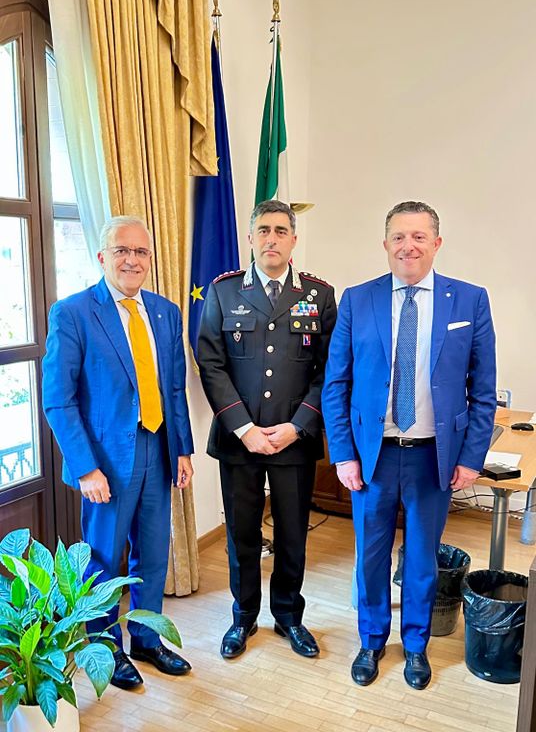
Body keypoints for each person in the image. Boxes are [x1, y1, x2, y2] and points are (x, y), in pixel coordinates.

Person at [322, 201, 496, 690]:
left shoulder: (469, 301)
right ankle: (371, 640)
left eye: (419, 236)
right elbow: (336, 384)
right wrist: (343, 454)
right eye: (399, 237)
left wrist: (471, 458)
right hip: (372, 457)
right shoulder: (358, 300)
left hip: (433, 456)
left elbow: (483, 391)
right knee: (370, 557)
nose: (408, 246)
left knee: (422, 559)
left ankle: (416, 645)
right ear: (385, 244)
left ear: (436, 243)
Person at [42, 216, 194, 690]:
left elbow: (173, 389)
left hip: (158, 449)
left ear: (150, 259)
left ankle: (147, 639)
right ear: (102, 257)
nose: (132, 260)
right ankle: (106, 649)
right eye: (121, 250)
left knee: (153, 555)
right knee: (104, 559)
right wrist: (85, 467)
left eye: (141, 252)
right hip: (105, 463)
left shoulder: (165, 312)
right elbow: (58, 399)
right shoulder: (73, 313)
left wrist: (183, 450)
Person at [197, 199, 337, 660]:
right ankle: (243, 617)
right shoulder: (224, 291)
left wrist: (299, 425)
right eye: (263, 230)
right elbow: (211, 362)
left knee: (293, 534)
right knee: (242, 535)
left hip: (294, 441)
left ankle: (289, 616)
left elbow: (331, 370)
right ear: (250, 239)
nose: (271, 239)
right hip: (240, 440)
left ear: (294, 239)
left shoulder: (319, 295)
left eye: (280, 231)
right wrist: (244, 427)